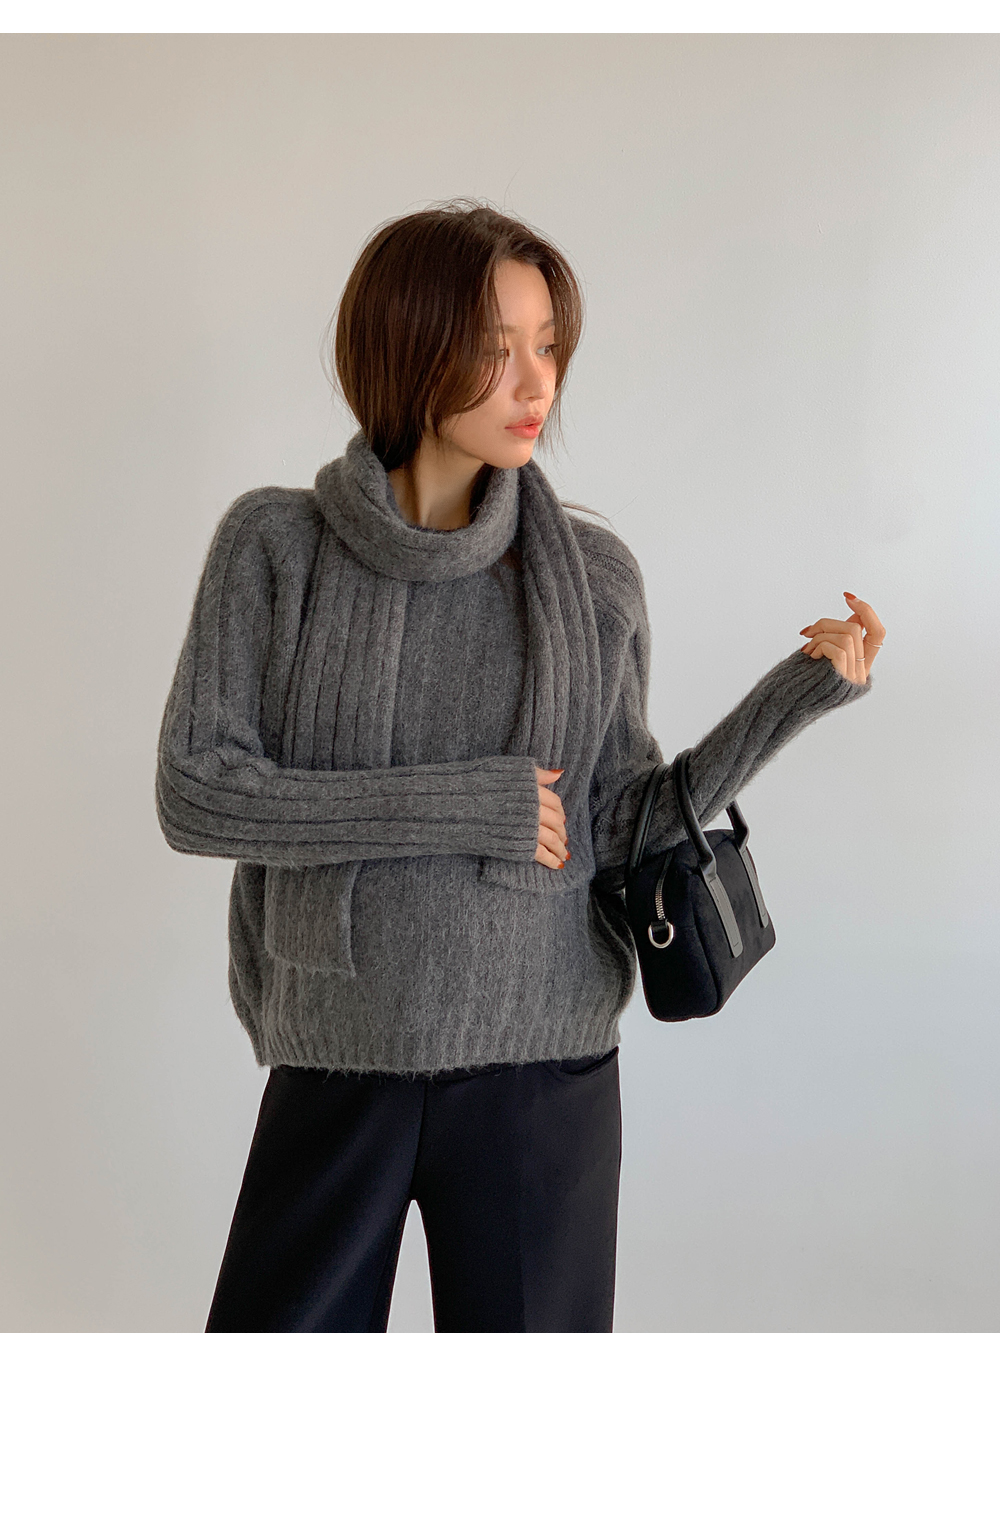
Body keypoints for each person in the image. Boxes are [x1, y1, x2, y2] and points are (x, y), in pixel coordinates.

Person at [155, 200, 884, 1332]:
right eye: (496, 350)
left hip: (545, 1069)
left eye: (547, 345)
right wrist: (465, 803)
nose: (535, 381)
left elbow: (623, 822)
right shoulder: (275, 547)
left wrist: (794, 697)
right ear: (406, 351)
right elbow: (199, 793)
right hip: (338, 1051)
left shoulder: (594, 576)